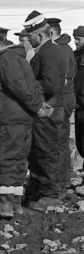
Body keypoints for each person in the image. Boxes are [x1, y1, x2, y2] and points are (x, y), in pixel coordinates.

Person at [0, 28, 50, 220]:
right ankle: (15, 201)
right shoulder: (19, 58)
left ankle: (3, 202)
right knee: (18, 160)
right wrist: (37, 105)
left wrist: (36, 106)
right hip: (22, 118)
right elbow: (31, 86)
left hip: (9, 119)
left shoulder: (5, 59)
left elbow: (19, 86)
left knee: (4, 157)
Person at [24, 12, 74, 209]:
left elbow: (50, 85)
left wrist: (29, 89)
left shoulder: (48, 53)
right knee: (57, 148)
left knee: (46, 150)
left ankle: (50, 194)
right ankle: (58, 187)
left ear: (41, 35)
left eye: (31, 35)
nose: (28, 39)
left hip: (48, 108)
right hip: (56, 107)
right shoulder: (55, 50)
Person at [47, 18, 78, 191]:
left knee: (58, 140)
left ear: (51, 33)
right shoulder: (63, 49)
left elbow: (61, 80)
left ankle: (60, 180)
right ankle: (60, 179)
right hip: (63, 99)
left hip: (61, 100)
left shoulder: (60, 51)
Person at [74, 25, 84, 177]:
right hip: (79, 108)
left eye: (79, 39)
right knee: (81, 145)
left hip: (81, 105)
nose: (76, 42)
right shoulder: (77, 56)